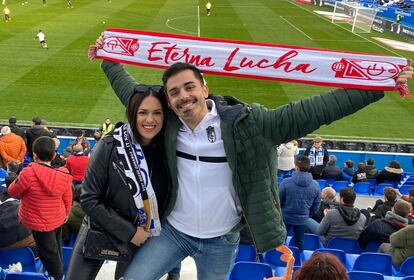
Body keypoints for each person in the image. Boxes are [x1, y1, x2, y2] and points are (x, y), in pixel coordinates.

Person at [89, 37, 412, 279]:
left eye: (189, 87)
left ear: (205, 87)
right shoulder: (169, 123)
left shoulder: (252, 124)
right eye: (174, 92)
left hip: (221, 241)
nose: (183, 96)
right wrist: (107, 58)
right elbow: (131, 94)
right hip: (173, 232)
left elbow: (316, 110)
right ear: (169, 101)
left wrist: (377, 85)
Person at [65, 85, 180, 280]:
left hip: (142, 238)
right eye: (143, 112)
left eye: (157, 113)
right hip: (100, 229)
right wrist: (129, 231)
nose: (150, 120)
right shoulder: (110, 145)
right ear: (133, 113)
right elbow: (89, 198)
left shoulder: (168, 151)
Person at [7, 136, 73, 280]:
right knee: (55, 247)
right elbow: (68, 198)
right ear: (54, 155)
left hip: (39, 222)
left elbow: (13, 191)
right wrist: (66, 213)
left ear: (34, 155)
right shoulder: (63, 174)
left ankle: (56, 276)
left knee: (48, 252)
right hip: (57, 218)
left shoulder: (28, 173)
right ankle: (56, 272)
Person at [279, 156, 320, 251]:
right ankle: (297, 261)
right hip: (301, 218)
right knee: (299, 242)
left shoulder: (285, 182)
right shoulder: (316, 185)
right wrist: (307, 214)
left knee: (282, 240)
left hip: (286, 217)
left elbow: (278, 201)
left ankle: (281, 259)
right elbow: (316, 206)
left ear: (296, 167)